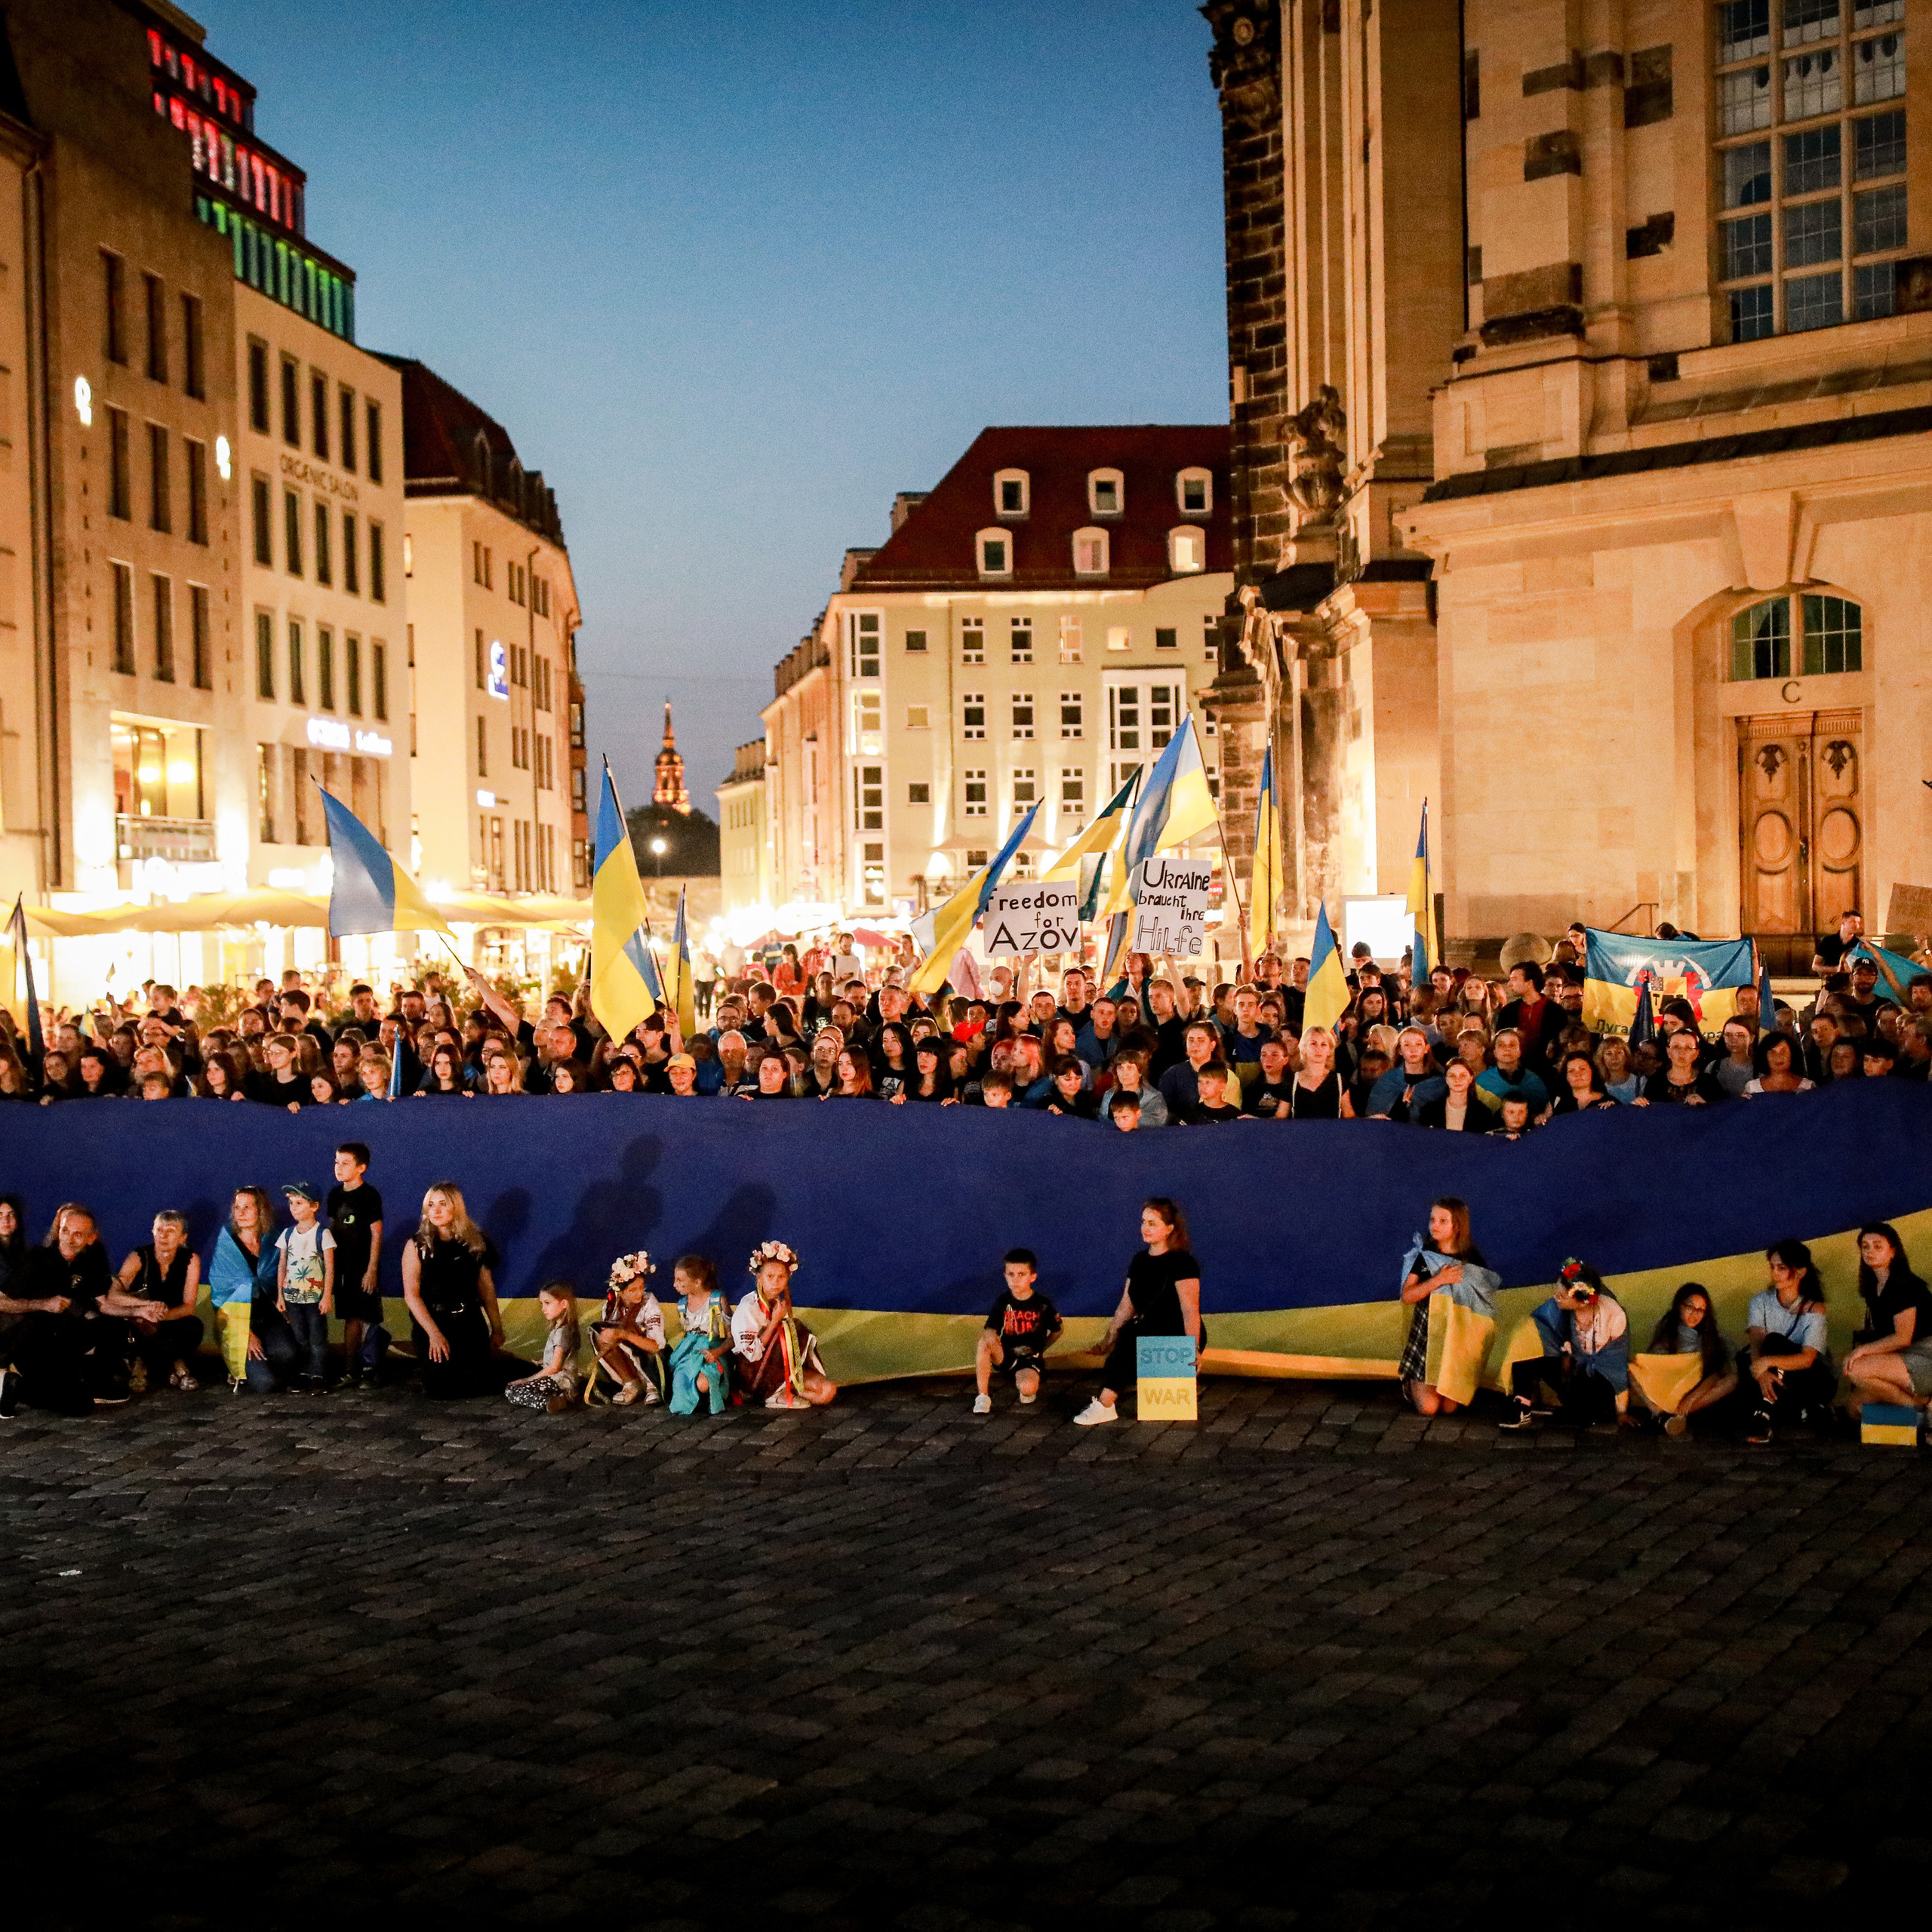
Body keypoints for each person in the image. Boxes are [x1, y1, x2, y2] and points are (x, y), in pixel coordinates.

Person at [1075, 1198, 1201, 1426]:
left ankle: (1105, 1404)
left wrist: (1193, 1349)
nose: (1145, 1228)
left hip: (1176, 1329)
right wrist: (1108, 1339)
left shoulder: (1183, 1262)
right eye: (1144, 1222)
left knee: (1132, 1337)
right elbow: (1126, 1305)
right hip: (1147, 1326)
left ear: (1169, 1228)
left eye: (1153, 1223)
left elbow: (1190, 1310)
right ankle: (1108, 1399)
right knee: (1128, 1335)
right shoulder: (1139, 1261)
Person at [400, 1182, 510, 1399]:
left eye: (443, 1204)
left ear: (456, 1207)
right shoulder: (417, 1246)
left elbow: (487, 1289)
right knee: (441, 1390)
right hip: (433, 1322)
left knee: (478, 1387)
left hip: (468, 1321)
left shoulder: (476, 1242)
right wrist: (434, 1334)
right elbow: (411, 1295)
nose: (436, 1211)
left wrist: (497, 1329)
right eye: (431, 1205)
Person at [1500, 1260, 1631, 1430]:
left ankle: (1580, 1410)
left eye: (1562, 1296)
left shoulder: (1614, 1316)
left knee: (1587, 1412)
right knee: (1526, 1336)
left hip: (1598, 1379)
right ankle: (1522, 1404)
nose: (1556, 1298)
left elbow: (1616, 1365)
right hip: (1567, 1369)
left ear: (1583, 1301)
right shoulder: (1555, 1309)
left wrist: (1622, 1412)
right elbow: (1538, 1329)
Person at [1397, 1198, 1499, 1416]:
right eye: (1433, 1220)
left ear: (1457, 1226)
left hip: (1456, 1332)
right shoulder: (1425, 1257)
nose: (1435, 1225)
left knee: (1451, 1407)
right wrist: (1437, 1281)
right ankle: (1411, 1382)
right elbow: (1407, 1296)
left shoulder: (1471, 1258)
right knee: (1429, 1408)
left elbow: (1483, 1297)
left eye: (1443, 1221)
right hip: (1429, 1332)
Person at [0, 1203, 103, 1417]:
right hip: (31, 1342)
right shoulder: (36, 1260)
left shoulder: (84, 1264)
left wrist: (140, 1310)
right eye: (65, 1231)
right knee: (79, 1404)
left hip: (61, 1343)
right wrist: (42, 1304)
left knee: (86, 1395)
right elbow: (2, 1301)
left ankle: (19, 1385)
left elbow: (100, 1302)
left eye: (77, 1234)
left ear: (89, 1239)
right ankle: (15, 1385)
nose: (69, 1238)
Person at [1743, 1238, 1835, 1444]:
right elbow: (1756, 1343)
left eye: (1782, 1268)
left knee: (1775, 1341)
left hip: (1810, 1377)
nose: (1775, 1273)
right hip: (1776, 1377)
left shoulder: (1814, 1308)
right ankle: (1799, 1410)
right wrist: (1762, 1373)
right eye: (1773, 1267)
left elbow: (1807, 1359)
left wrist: (1766, 1364)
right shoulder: (1760, 1302)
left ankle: (1764, 1413)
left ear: (1801, 1272)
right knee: (1749, 1362)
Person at [106, 1209, 205, 1392]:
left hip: (169, 1321)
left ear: (182, 1238)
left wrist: (160, 1316)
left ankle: (159, 1367)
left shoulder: (191, 1260)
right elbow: (113, 1295)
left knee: (192, 1327)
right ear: (153, 1232)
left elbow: (188, 1307)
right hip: (139, 1321)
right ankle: (179, 1367)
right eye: (159, 1230)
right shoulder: (139, 1256)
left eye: (170, 1231)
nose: (163, 1236)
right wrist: (146, 1307)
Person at [211, 1186, 296, 1394]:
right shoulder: (227, 1244)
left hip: (270, 1317)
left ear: (261, 1211)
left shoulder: (274, 1240)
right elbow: (222, 1297)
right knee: (266, 1385)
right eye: (237, 1207)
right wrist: (246, 1334)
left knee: (287, 1353)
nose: (240, 1213)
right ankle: (239, 1365)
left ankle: (259, 1363)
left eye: (247, 1208)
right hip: (238, 1321)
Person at [731, 1240, 836, 1408]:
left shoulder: (780, 1303)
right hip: (754, 1374)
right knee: (783, 1329)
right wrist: (774, 1322)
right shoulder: (748, 1307)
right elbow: (751, 1355)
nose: (775, 1282)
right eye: (770, 1277)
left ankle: (786, 1390)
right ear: (759, 1278)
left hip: (784, 1371)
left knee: (827, 1391)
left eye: (781, 1277)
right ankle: (771, 1395)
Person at [1843, 1224, 1932, 1423]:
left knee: (1856, 1368)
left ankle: (1919, 1408)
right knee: (1855, 1407)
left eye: (1877, 1246)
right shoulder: (1873, 1288)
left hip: (1926, 1355)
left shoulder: (1904, 1285)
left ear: (1892, 1251)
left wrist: (1863, 1350)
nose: (1870, 1252)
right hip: (1902, 1359)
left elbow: (1903, 1337)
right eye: (1865, 1247)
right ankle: (1922, 1402)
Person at [1635, 1282, 1737, 1436]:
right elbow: (1655, 1366)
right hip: (1668, 1389)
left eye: (1700, 1310)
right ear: (1679, 1306)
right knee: (1631, 1370)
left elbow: (1715, 1373)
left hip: (1696, 1397)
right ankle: (1658, 1414)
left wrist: (1690, 1399)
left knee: (1732, 1380)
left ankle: (1677, 1416)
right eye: (1689, 1307)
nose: (1694, 1313)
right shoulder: (1666, 1331)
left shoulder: (1712, 1337)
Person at [973, 1247, 1063, 1414]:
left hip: (1030, 1360)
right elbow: (991, 1329)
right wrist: (990, 1340)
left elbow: (1058, 1330)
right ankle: (983, 1396)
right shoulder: (1003, 1301)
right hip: (1006, 1356)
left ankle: (1024, 1383)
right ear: (1005, 1275)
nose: (1015, 1280)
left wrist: (1042, 1348)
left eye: (1021, 1275)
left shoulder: (1043, 1304)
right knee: (984, 1341)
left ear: (1032, 1277)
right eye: (1011, 1274)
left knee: (1027, 1388)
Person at [328, 1143, 386, 1389]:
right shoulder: (334, 1195)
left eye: (345, 1163)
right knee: (350, 1317)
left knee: (368, 1317)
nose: (339, 1168)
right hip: (343, 1268)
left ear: (361, 1168)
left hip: (364, 1266)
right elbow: (331, 1231)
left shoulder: (369, 1195)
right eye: (336, 1162)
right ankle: (350, 1369)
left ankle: (371, 1369)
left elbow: (376, 1233)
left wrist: (371, 1268)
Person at [275, 1182, 336, 1394]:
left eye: (299, 1203)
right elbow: (282, 1265)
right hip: (293, 1297)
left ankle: (319, 1375)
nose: (294, 1208)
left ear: (314, 1206)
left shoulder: (323, 1234)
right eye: (292, 1203)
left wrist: (327, 1295)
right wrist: (280, 1296)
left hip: (314, 1298)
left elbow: (329, 1268)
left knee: (317, 1337)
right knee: (300, 1338)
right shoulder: (287, 1234)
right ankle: (302, 1373)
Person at [592, 1250, 669, 1405]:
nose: (639, 1293)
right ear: (619, 1292)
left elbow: (656, 1346)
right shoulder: (611, 1307)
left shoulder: (649, 1302)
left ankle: (651, 1384)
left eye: (641, 1287)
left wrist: (624, 1334)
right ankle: (631, 1383)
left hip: (652, 1360)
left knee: (625, 1331)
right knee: (598, 1332)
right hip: (630, 1361)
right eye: (632, 1290)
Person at [667, 1254, 733, 1416]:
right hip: (690, 1353)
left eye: (681, 1280)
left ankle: (709, 1395)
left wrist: (716, 1352)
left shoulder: (717, 1300)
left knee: (703, 1383)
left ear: (697, 1282)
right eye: (675, 1279)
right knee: (681, 1381)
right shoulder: (682, 1305)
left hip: (713, 1349)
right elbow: (685, 1335)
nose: (675, 1284)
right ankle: (691, 1401)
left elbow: (733, 1337)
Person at [504, 1283, 582, 1414]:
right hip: (558, 1379)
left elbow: (555, 1367)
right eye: (542, 1304)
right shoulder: (560, 1329)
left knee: (513, 1390)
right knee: (514, 1384)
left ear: (564, 1304)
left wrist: (526, 1380)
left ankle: (549, 1402)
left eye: (548, 1303)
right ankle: (554, 1399)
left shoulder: (563, 1332)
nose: (544, 1309)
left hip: (561, 1381)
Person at [1642, 1027, 1726, 1106]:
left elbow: (1721, 1112)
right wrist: (1640, 1104)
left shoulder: (1710, 1083)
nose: (1682, 1052)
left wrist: (1706, 1105)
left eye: (1688, 1048)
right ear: (1668, 1051)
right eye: (1676, 1047)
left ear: (1696, 1053)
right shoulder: (1655, 1083)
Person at [1287, 1025, 1352, 1118]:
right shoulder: (1291, 1082)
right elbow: (1280, 1117)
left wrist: (1373, 1119)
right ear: (1304, 1048)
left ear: (1329, 1050)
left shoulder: (1339, 1082)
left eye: (1323, 1044)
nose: (1318, 1049)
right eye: (1313, 1043)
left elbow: (1350, 1118)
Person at [1415, 1056, 1485, 1130]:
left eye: (1463, 1076)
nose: (1457, 1080)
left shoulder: (1483, 1113)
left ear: (1470, 1079)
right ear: (1446, 1079)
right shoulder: (1429, 1111)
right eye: (1452, 1076)